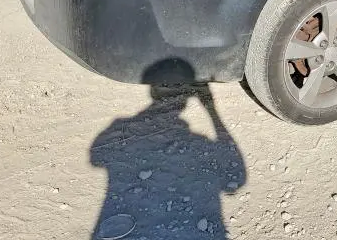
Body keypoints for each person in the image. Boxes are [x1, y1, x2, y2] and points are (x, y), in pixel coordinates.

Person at [90, 60, 245, 239]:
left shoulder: (119, 126)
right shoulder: (199, 141)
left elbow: (96, 158)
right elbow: (237, 179)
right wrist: (211, 111)